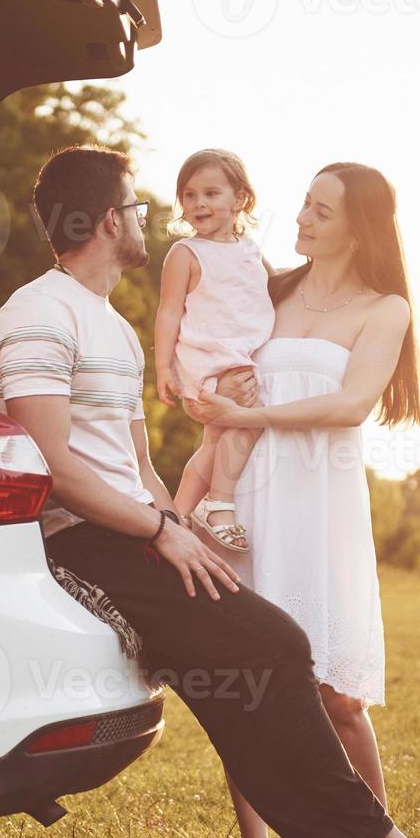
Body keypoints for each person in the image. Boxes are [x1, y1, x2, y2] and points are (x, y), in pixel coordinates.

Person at [0, 144, 420, 838]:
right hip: (82, 540)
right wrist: (159, 532)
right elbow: (54, 473)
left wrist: (172, 519)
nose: (156, 218)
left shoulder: (105, 324)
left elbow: (135, 461)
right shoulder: (40, 313)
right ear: (111, 222)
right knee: (275, 645)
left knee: (244, 686)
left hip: (135, 528)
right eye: (140, 208)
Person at [188, 162, 420, 838]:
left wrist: (249, 413)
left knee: (335, 694)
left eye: (320, 211)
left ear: (358, 228)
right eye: (303, 204)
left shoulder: (385, 309)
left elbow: (351, 404)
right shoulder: (270, 289)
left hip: (319, 510)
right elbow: (218, 369)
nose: (301, 218)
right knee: (247, 684)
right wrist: (201, 455)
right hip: (247, 499)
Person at [153, 149, 275, 553]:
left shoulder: (250, 249)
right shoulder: (186, 253)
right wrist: (164, 369)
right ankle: (219, 504)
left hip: (238, 358)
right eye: (189, 195)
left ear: (240, 199)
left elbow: (278, 285)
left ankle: (177, 516)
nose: (198, 203)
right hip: (210, 361)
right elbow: (169, 313)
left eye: (211, 193)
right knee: (247, 423)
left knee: (214, 443)